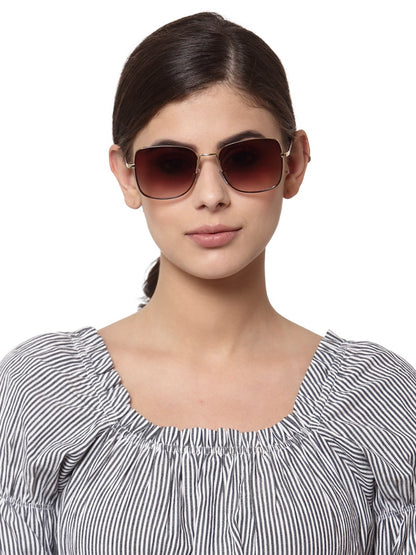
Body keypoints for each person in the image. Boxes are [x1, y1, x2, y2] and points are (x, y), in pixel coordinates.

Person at [0, 11, 415, 554]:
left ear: (294, 164)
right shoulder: (42, 391)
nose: (212, 196)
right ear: (126, 176)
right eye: (171, 165)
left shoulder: (377, 397)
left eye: (245, 159)